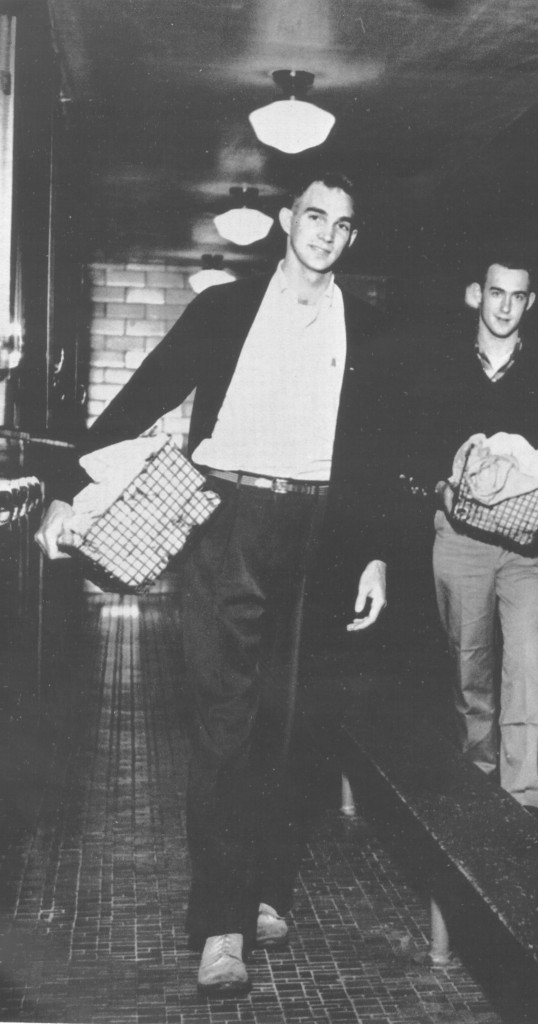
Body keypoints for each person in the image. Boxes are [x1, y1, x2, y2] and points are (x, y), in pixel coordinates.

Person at [35, 171, 393, 995]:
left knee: (287, 722)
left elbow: (373, 458)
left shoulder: (362, 328)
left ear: (351, 237)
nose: (326, 233)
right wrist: (65, 483)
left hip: (316, 528)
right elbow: (143, 393)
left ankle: (261, 884)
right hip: (227, 521)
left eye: (343, 223)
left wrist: (373, 554)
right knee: (227, 723)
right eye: (313, 215)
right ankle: (220, 924)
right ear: (285, 220)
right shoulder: (227, 309)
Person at [402, 255, 538, 812]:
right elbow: (417, 441)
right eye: (496, 293)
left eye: (517, 296)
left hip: (525, 545)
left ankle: (523, 799)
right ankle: (479, 787)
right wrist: (441, 488)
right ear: (477, 293)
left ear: (531, 303)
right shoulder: (440, 362)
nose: (505, 306)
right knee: (468, 666)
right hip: (461, 539)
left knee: (528, 661)